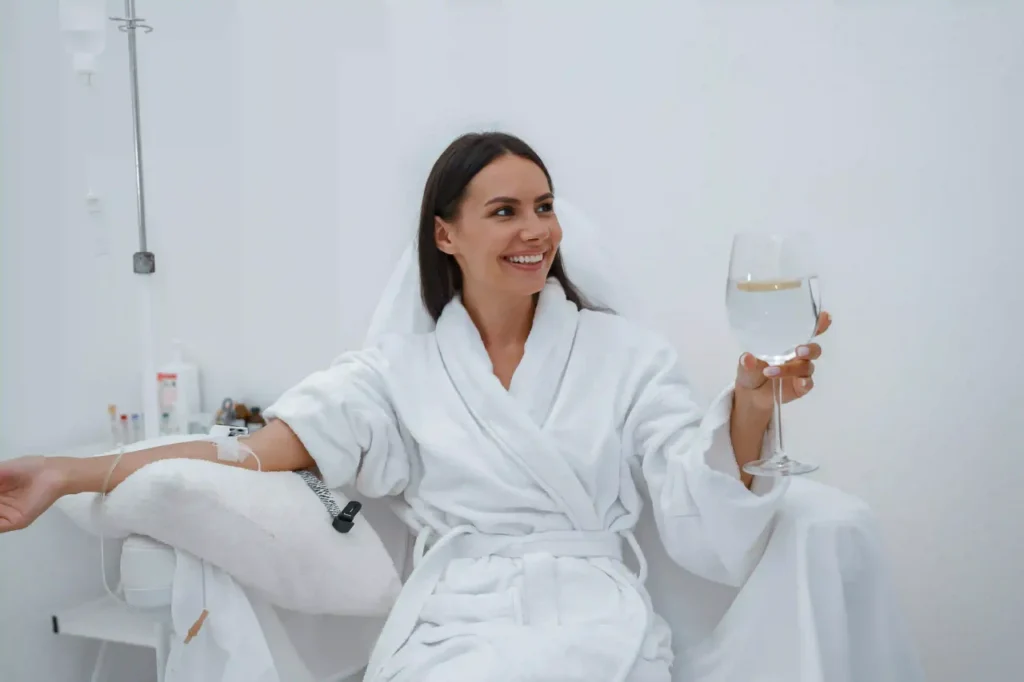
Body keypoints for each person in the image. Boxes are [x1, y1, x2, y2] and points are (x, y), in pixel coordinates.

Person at [3, 132, 866, 682]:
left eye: (544, 207)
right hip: (458, 618)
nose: (536, 230)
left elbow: (692, 489)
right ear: (445, 234)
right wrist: (71, 471)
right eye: (505, 211)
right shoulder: (396, 372)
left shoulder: (625, 355)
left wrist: (750, 402)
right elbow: (256, 452)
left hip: (591, 609)